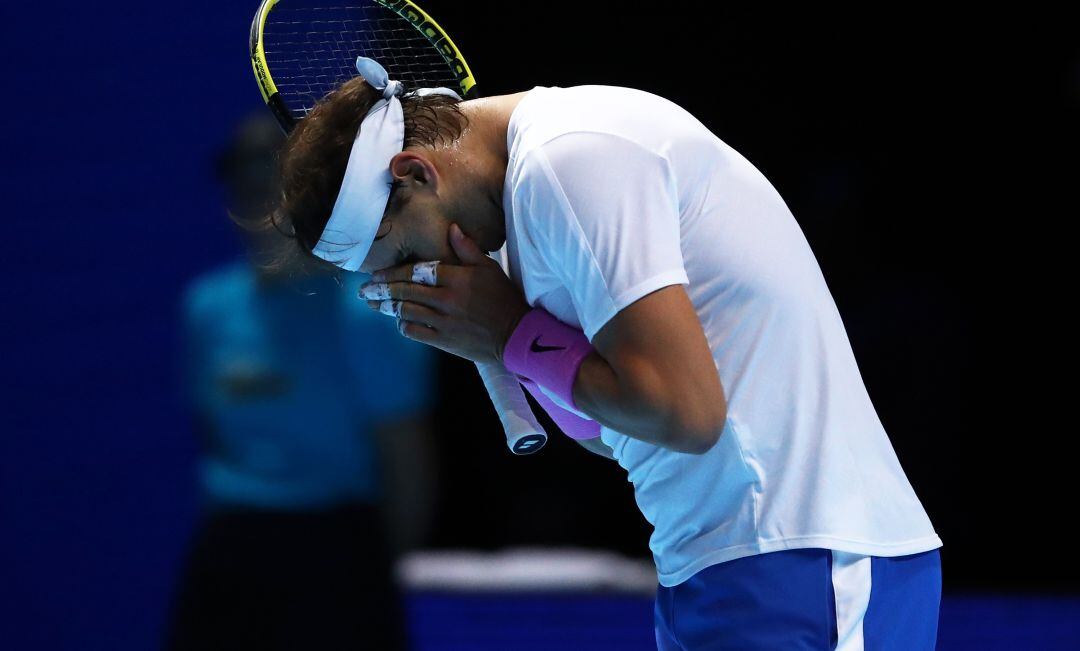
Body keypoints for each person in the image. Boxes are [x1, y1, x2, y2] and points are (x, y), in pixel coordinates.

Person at [260, 57, 943, 649]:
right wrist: (516, 339)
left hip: (802, 556)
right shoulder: (524, 216)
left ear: (416, 173)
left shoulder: (570, 157)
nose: (423, 276)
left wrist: (508, 335)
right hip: (712, 567)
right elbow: (626, 437)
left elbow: (686, 415)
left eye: (408, 253)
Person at [167, 114, 436, 651]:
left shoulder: (368, 310)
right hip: (233, 546)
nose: (256, 190)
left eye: (270, 173)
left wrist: (373, 570)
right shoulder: (206, 307)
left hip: (336, 548)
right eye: (240, 174)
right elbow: (214, 432)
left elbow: (407, 459)